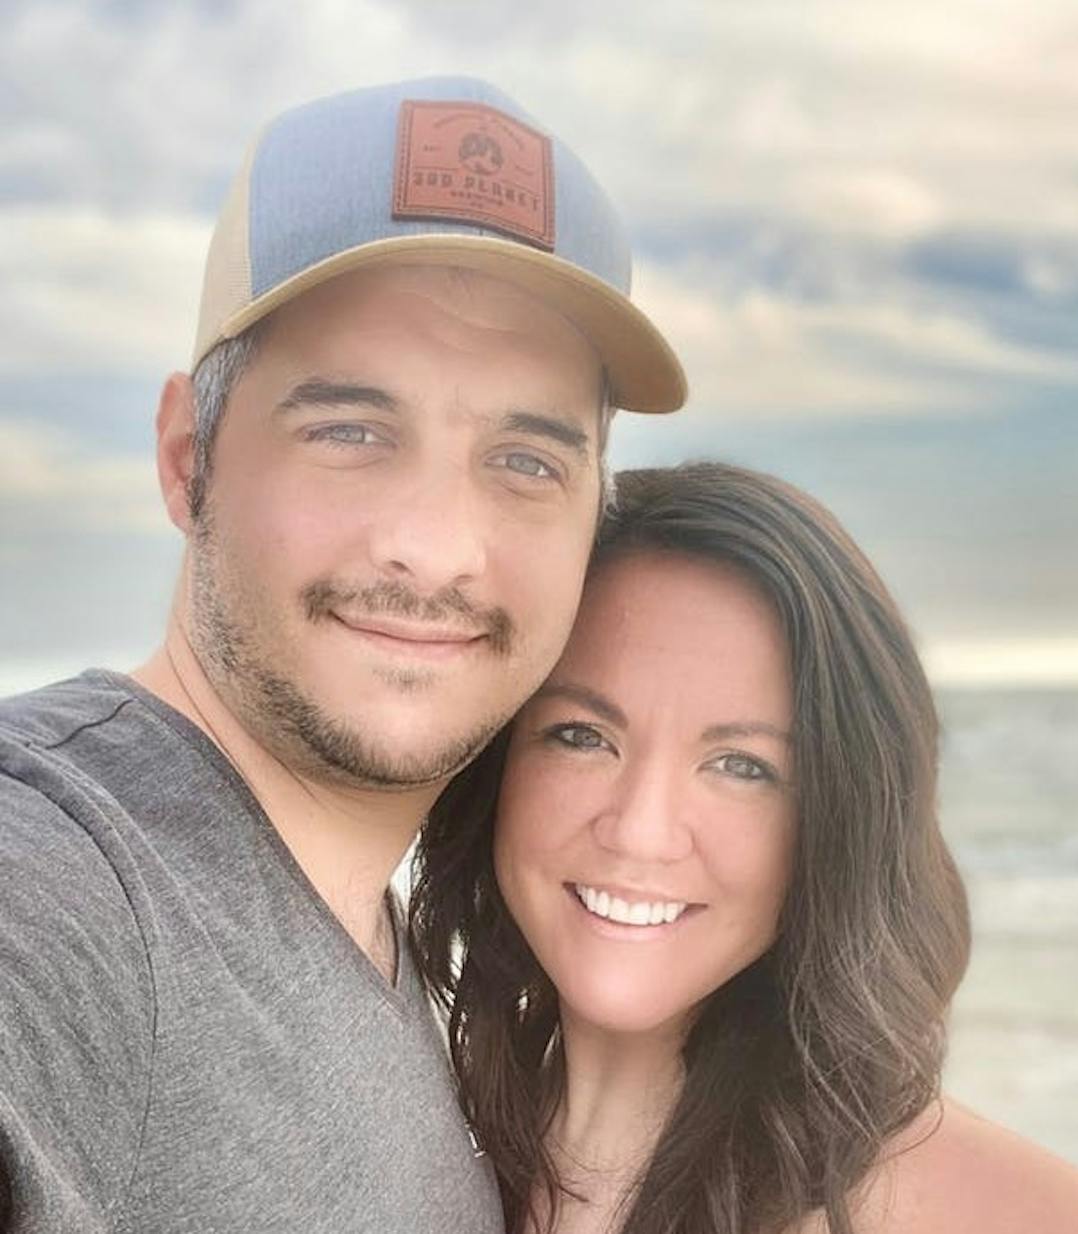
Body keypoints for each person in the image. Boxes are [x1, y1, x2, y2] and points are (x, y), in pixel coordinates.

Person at [0, 79, 685, 1232]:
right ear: (187, 458)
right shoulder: (61, 883)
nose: (435, 547)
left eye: (525, 460)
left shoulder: (397, 949)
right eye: (352, 431)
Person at [409, 462, 1078, 1234]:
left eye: (742, 766)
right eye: (582, 736)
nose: (640, 828)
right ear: (496, 765)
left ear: (838, 818)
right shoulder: (405, 1155)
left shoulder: (1013, 1217)